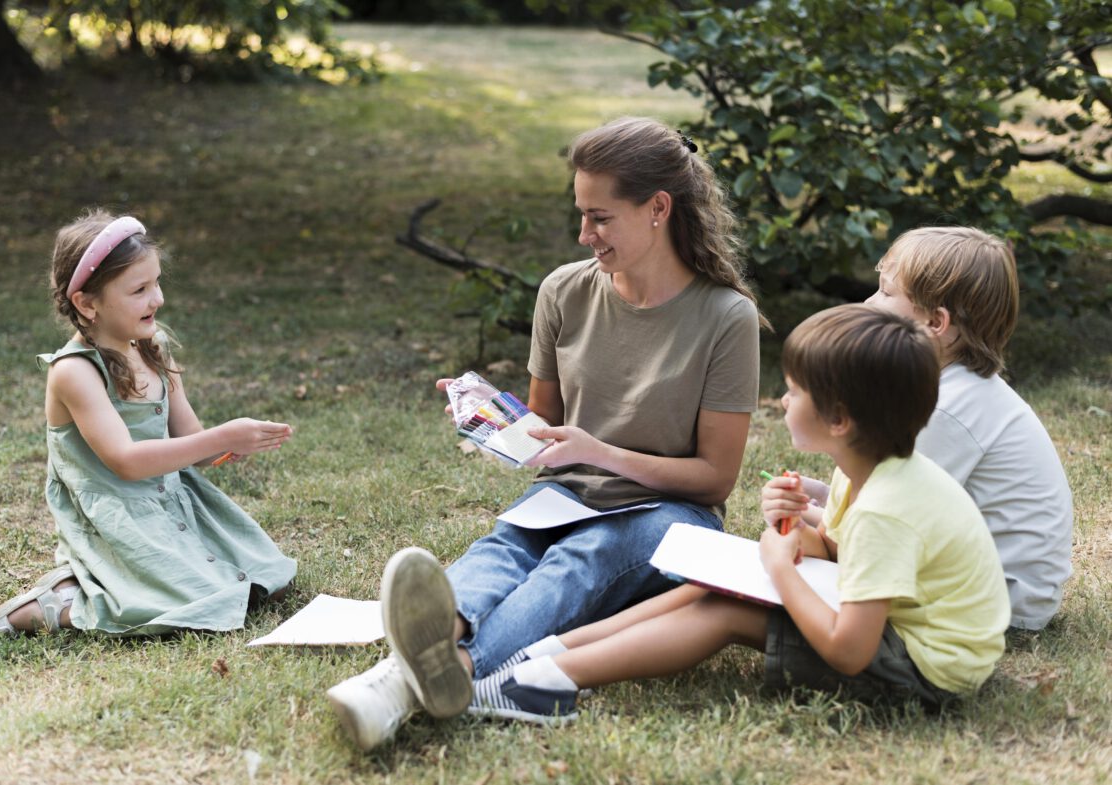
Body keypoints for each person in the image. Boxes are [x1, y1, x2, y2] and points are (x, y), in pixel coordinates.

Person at [327, 116, 765, 750]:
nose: (584, 234)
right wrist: (493, 418)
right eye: (581, 215)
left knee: (579, 559)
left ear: (658, 209)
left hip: (669, 517)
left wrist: (601, 453)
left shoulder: (726, 316)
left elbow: (714, 480)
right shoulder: (563, 291)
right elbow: (545, 436)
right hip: (564, 498)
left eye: (600, 218)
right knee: (500, 552)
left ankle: (435, 676)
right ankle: (412, 667)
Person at [424, 304, 1011, 723]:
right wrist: (804, 533)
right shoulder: (868, 470)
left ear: (839, 420)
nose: (783, 400)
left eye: (794, 391)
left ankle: (539, 684)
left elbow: (849, 650)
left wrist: (780, 567)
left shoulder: (887, 508)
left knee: (726, 611)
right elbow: (843, 553)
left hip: (926, 671)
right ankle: (541, 656)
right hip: (901, 627)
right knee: (713, 582)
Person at [0, 209, 297, 636]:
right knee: (203, 605)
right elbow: (127, 462)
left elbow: (192, 443)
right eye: (140, 289)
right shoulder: (75, 371)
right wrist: (221, 435)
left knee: (267, 580)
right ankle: (55, 604)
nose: (158, 299)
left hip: (173, 500)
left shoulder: (153, 345)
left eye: (157, 283)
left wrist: (228, 447)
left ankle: (104, 582)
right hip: (119, 515)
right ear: (87, 304)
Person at [769, 227, 1073, 631]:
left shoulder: (944, 412)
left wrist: (806, 517)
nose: (868, 302)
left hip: (999, 601)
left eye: (885, 292)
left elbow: (883, 527)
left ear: (934, 322)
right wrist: (823, 500)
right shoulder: (947, 389)